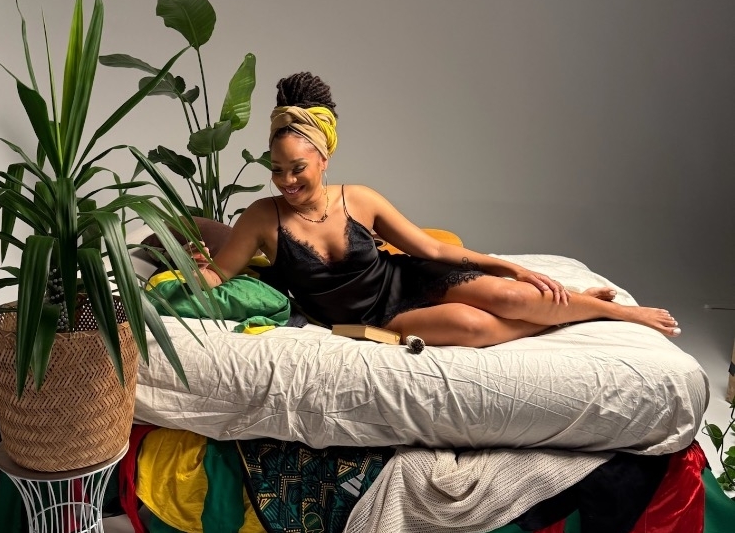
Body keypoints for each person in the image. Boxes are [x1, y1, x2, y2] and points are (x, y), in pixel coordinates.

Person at [192, 72, 681, 348]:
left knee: (511, 297)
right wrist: (194, 270)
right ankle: (578, 315)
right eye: (277, 169)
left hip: (409, 279)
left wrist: (511, 268)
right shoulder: (262, 217)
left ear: (324, 157)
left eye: (297, 168)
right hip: (376, 322)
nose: (286, 180)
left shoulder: (359, 198)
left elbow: (431, 249)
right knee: (473, 327)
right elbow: (220, 273)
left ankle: (614, 312)